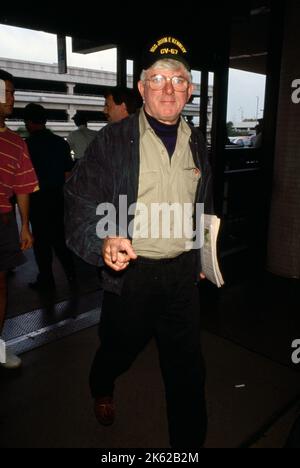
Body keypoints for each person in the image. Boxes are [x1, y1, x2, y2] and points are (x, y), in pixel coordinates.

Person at [64, 35, 213, 448]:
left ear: (191, 89)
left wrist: (202, 252)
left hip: (183, 275)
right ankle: (102, 382)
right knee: (118, 348)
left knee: (188, 370)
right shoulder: (113, 140)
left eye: (178, 79)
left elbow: (203, 201)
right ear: (142, 88)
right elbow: (78, 198)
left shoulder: (197, 141)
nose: (168, 88)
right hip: (133, 273)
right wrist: (103, 241)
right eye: (158, 78)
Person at [0, 70, 39, 368]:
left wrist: (24, 225)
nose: (12, 98)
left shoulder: (16, 142)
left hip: (3, 220)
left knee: (1, 286)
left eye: (12, 91)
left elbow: (23, 187)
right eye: (8, 92)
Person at [24, 103, 75, 291]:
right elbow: (68, 175)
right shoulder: (60, 143)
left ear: (28, 122)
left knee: (42, 244)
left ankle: (47, 280)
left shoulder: (26, 146)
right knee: (60, 239)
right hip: (57, 198)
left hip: (36, 201)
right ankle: (72, 276)